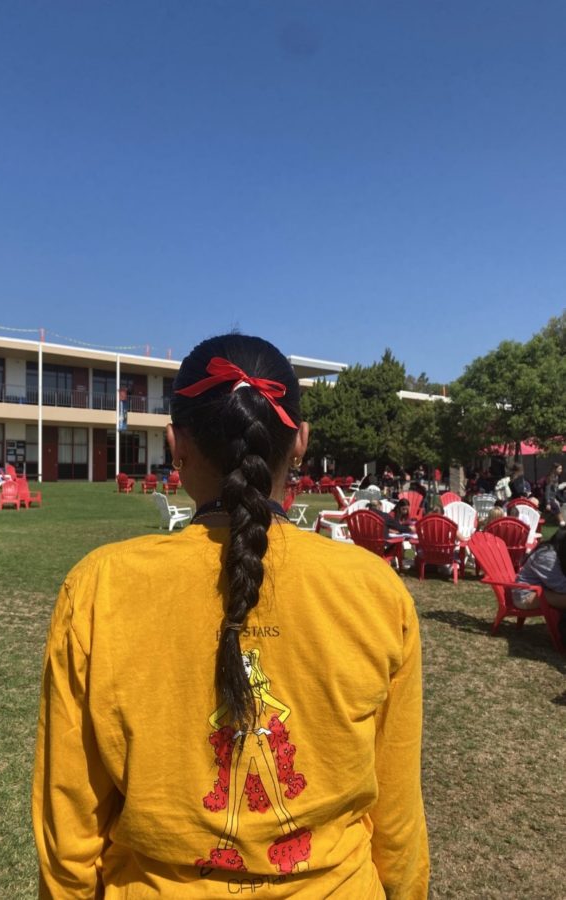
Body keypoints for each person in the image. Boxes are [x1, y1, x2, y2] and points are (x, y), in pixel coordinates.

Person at [33, 334, 429, 898]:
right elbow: (398, 815)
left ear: (176, 444)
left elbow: (68, 822)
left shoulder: (100, 588)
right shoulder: (376, 593)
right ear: (300, 444)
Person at [512, 531, 566, 642]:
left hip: (545, 591)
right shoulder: (547, 556)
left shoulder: (555, 551)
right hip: (526, 595)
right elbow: (562, 587)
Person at [544, 463, 566, 528]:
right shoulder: (550, 478)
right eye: (559, 469)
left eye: (561, 469)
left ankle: (562, 522)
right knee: (556, 507)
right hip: (550, 498)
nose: (561, 470)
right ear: (554, 469)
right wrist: (547, 503)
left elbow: (556, 489)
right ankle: (562, 523)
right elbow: (547, 491)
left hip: (554, 497)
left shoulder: (557, 477)